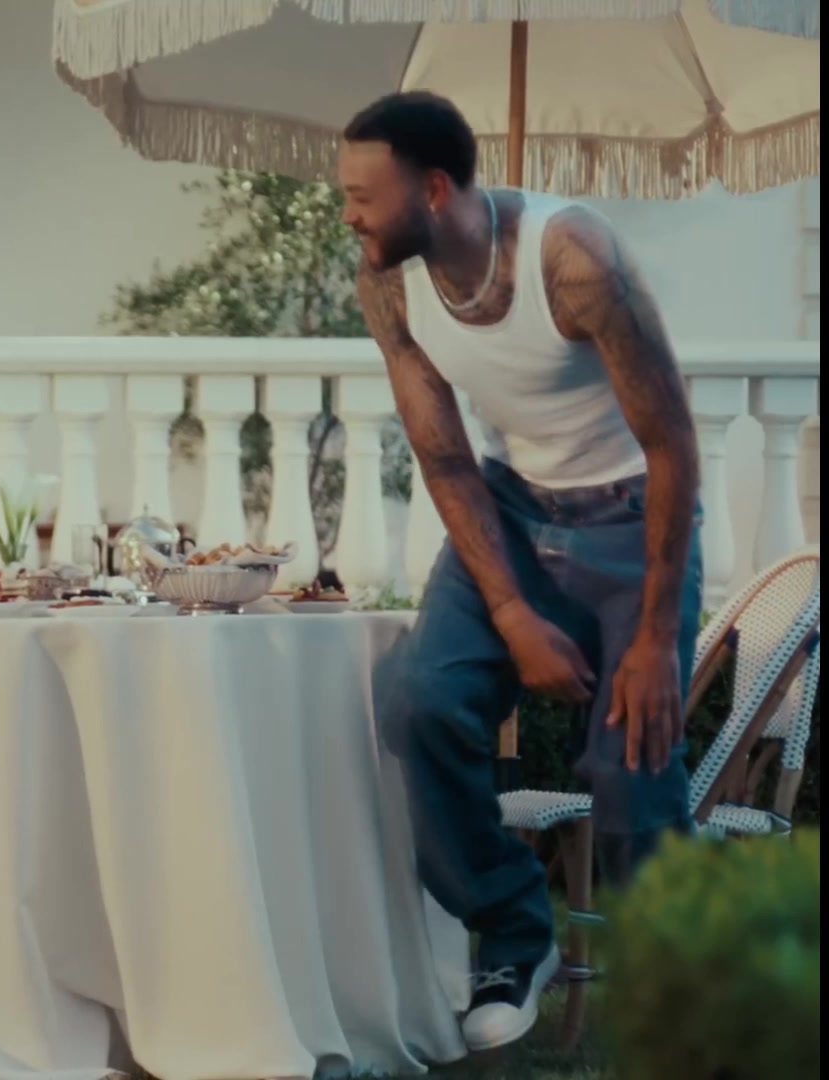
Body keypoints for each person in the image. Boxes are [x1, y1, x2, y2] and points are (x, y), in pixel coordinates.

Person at [339, 92, 703, 1052]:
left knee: (631, 768)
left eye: (362, 197)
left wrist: (654, 637)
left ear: (434, 189)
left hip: (629, 516)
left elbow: (671, 444)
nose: (348, 216)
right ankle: (511, 930)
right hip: (510, 508)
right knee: (421, 704)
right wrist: (510, 611)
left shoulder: (573, 259)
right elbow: (445, 456)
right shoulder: (389, 280)